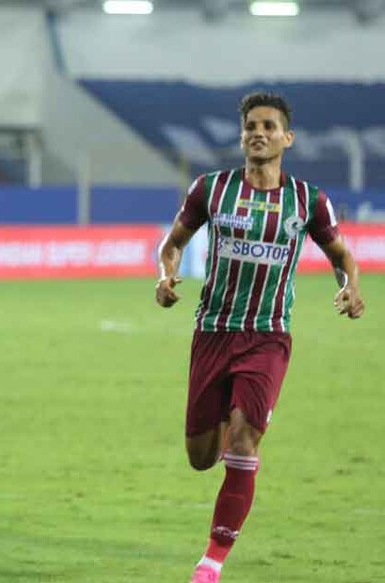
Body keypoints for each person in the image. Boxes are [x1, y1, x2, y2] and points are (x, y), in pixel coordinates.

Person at [155, 92, 365, 583]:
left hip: (267, 335)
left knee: (245, 440)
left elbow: (341, 256)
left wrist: (350, 287)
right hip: (213, 332)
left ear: (287, 138)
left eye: (269, 126)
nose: (258, 133)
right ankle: (229, 421)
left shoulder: (307, 200)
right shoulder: (211, 189)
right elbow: (173, 244)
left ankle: (212, 561)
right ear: (241, 135)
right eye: (251, 125)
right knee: (201, 458)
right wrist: (164, 277)